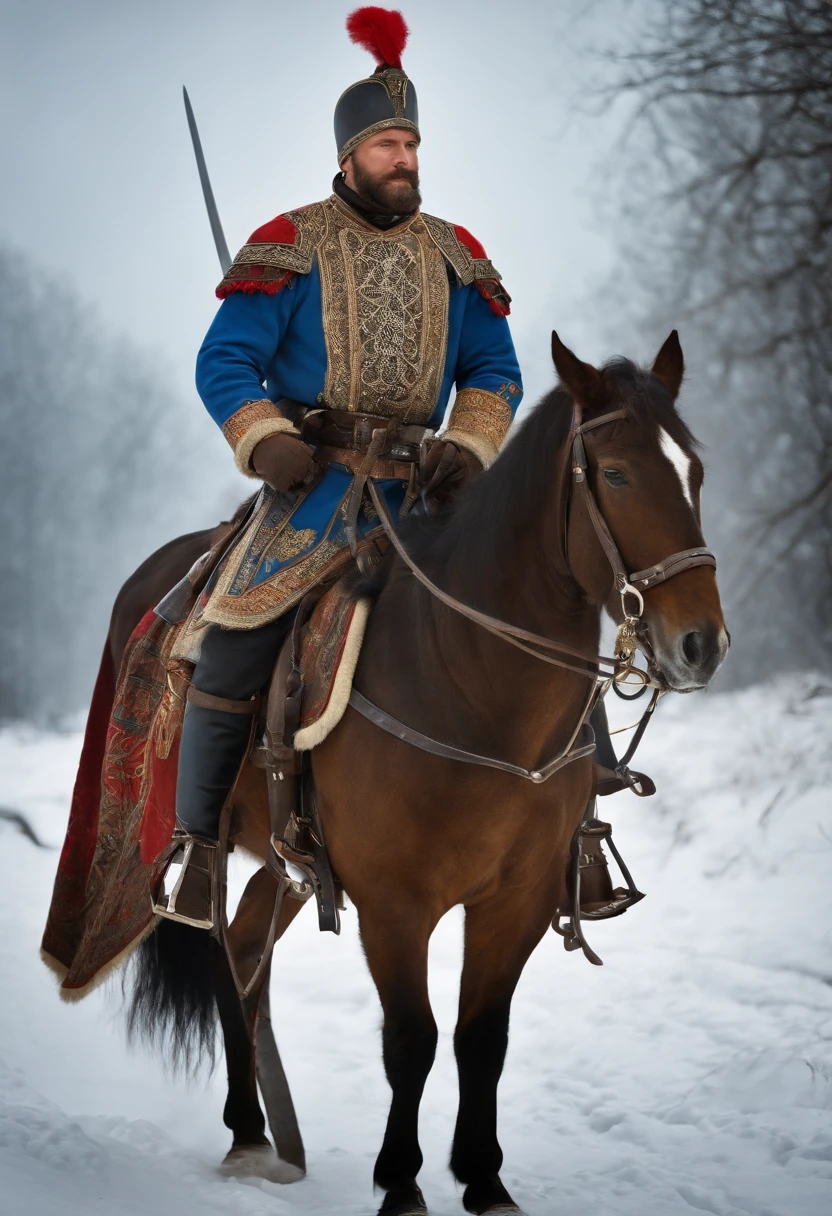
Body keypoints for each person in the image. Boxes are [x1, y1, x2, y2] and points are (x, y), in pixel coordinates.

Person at [155, 8, 524, 929]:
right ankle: (197, 854)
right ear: (350, 152)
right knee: (230, 635)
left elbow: (495, 373)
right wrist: (263, 436)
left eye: (411, 142)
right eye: (388, 144)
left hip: (429, 497)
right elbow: (224, 362)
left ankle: (580, 837)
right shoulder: (292, 241)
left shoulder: (457, 254)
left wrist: (467, 447)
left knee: (533, 610)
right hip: (312, 492)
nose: (405, 158)